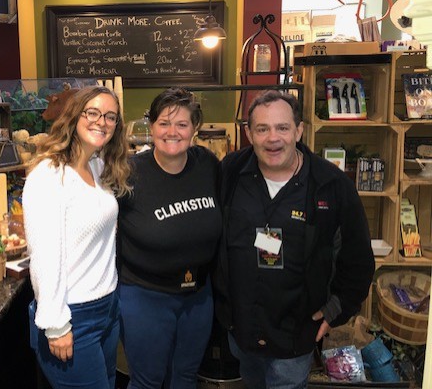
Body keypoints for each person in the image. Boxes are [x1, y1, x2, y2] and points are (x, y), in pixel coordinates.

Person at [214, 90, 375, 389]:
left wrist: (336, 309)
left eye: (282, 128)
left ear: (299, 130)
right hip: (242, 331)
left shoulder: (331, 185)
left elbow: (359, 259)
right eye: (262, 129)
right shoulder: (230, 172)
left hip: (294, 336)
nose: (272, 138)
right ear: (249, 133)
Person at [22, 85, 131, 389]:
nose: (102, 122)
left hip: (107, 307)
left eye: (110, 117)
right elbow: (44, 256)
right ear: (74, 116)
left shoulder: (97, 167)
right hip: (73, 317)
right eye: (92, 112)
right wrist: (56, 325)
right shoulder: (49, 174)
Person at [118, 87, 221, 389]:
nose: (172, 132)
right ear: (151, 126)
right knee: (148, 381)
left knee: (185, 378)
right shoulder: (129, 172)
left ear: (194, 129)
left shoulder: (208, 165)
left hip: (199, 297)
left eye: (182, 124)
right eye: (164, 123)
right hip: (145, 297)